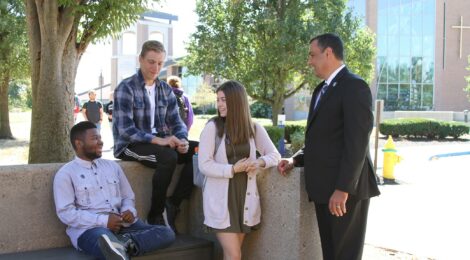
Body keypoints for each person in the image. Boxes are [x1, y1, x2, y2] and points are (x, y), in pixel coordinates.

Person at [278, 33, 380, 260]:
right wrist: (295, 159)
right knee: (332, 255)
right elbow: (320, 140)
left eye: (312, 55)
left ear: (329, 53)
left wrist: (343, 189)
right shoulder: (321, 89)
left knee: (345, 256)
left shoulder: (355, 87)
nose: (309, 61)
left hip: (345, 193)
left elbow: (357, 142)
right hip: (324, 191)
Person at [53, 121, 175, 260]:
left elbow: (128, 196)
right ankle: (117, 247)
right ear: (79, 143)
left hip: (124, 225)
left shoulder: (112, 167)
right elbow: (66, 213)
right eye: (95, 138)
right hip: (91, 230)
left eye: (100, 137)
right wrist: (104, 221)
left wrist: (128, 210)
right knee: (105, 243)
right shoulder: (66, 174)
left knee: (166, 233)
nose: (101, 142)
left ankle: (123, 243)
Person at [113, 40, 195, 230]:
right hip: (130, 145)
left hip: (159, 142)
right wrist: (160, 140)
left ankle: (173, 203)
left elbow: (177, 122)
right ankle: (155, 215)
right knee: (168, 156)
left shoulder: (165, 89)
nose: (155, 67)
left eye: (159, 63)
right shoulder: (126, 88)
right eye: (151, 62)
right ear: (140, 60)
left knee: (197, 151)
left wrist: (182, 139)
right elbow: (126, 129)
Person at [198, 80, 281, 260]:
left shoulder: (253, 127)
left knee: (231, 255)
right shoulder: (212, 127)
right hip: (221, 200)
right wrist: (232, 169)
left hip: (245, 199)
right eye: (218, 99)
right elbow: (204, 164)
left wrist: (259, 162)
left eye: (224, 100)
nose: (219, 104)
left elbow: (275, 155)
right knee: (235, 254)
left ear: (237, 101)